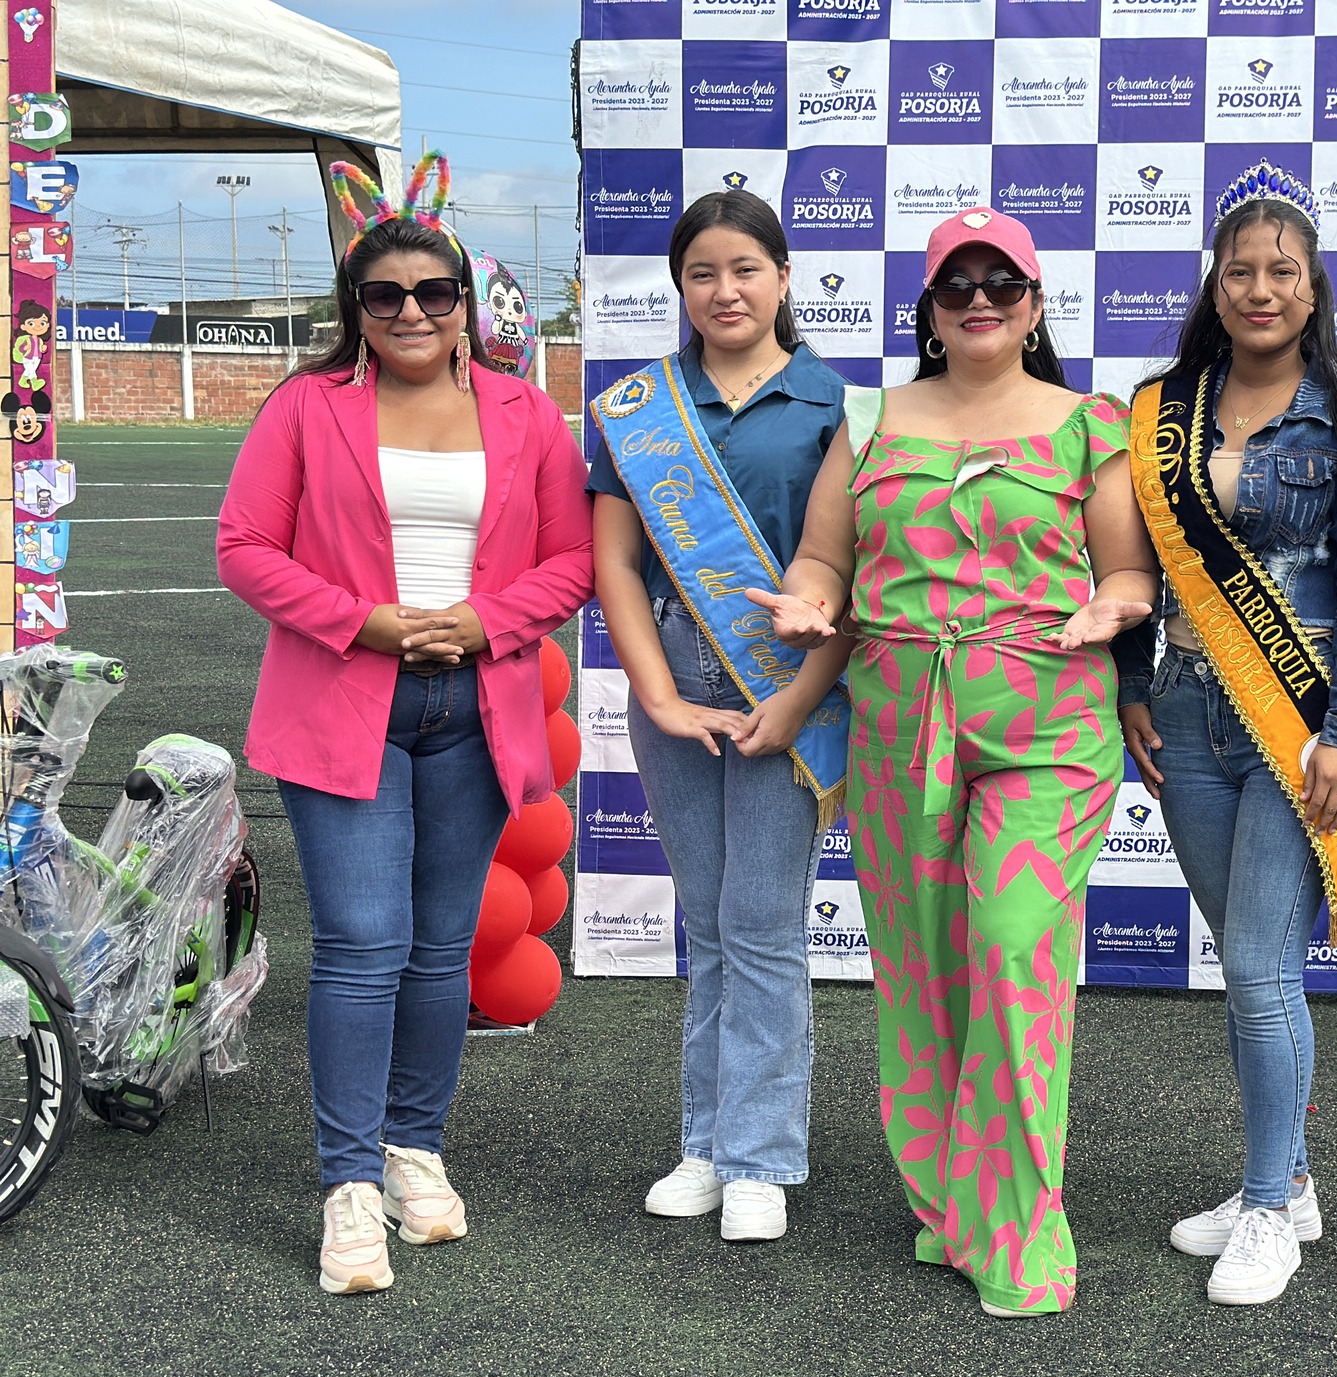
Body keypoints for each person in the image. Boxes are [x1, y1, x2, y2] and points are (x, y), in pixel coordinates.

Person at [756, 207, 1158, 1316]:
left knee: (1014, 950)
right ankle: (951, 1202)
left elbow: (1128, 571)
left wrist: (1113, 607)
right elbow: (823, 559)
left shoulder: (1089, 426)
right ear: (929, 311)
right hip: (900, 722)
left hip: (1047, 721)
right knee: (923, 969)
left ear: (1035, 305)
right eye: (956, 285)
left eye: (1002, 283)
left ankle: (1018, 1233)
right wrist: (807, 602)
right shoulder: (870, 419)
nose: (980, 300)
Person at [217, 152, 594, 1295]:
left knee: (440, 950)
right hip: (346, 703)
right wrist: (365, 624)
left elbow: (572, 561)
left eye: (434, 291)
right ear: (356, 308)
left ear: (466, 302)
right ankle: (347, 1184)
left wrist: (482, 622)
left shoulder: (528, 413)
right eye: (384, 295)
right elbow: (245, 548)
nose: (412, 311)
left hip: (476, 703)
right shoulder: (305, 407)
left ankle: (413, 1151)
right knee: (361, 944)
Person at [1113, 163, 1337, 1307]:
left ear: (1312, 284)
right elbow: (1130, 566)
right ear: (1214, 284)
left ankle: (1269, 1211)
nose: (1259, 288)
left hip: (1299, 721)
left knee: (1255, 968)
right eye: (1239, 270)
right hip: (1186, 710)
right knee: (1246, 964)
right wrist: (1131, 683)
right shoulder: (1161, 411)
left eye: (1281, 269)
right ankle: (1283, 1180)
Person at [587, 189, 850, 1243]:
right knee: (707, 920)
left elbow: (854, 574)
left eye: (746, 269)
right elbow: (614, 562)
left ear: (783, 278)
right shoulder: (636, 408)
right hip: (673, 676)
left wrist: (795, 701)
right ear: (680, 287)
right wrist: (654, 694)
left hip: (794, 681)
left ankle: (759, 1157)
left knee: (763, 924)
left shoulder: (837, 405)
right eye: (702, 273)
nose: (725, 290)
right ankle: (706, 1142)